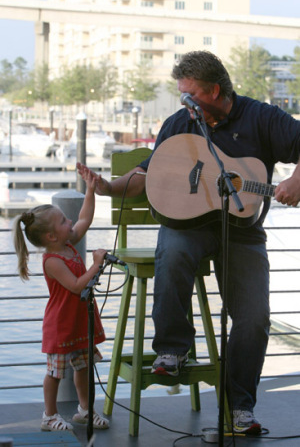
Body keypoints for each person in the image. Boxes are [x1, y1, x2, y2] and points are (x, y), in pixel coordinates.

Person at [77, 50, 300, 434]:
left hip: (243, 230)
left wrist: (296, 180)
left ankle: (239, 409)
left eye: (190, 94)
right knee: (174, 251)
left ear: (215, 90)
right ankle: (172, 349)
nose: (184, 101)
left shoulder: (261, 117)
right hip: (187, 226)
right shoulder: (179, 123)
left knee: (254, 320)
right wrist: (108, 187)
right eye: (181, 93)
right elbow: (147, 174)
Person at [13, 169, 109, 432]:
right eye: (64, 221)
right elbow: (78, 287)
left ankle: (84, 410)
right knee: (55, 373)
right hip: (61, 325)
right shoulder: (53, 260)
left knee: (83, 368)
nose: (71, 222)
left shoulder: (68, 244)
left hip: (78, 322)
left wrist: (90, 190)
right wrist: (96, 264)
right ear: (51, 237)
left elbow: (85, 219)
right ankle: (50, 415)